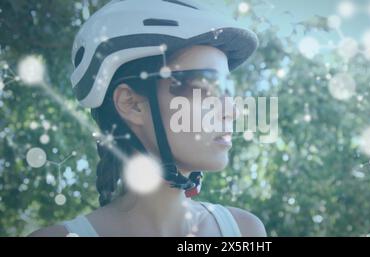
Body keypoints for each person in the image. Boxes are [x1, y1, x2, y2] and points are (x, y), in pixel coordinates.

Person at [29, 0, 266, 237]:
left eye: (227, 90)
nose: (232, 111)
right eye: (204, 88)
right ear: (131, 104)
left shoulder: (244, 231)